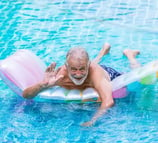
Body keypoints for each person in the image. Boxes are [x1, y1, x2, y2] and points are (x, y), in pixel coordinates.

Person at [23, 43, 140, 126]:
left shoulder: (95, 73)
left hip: (106, 72)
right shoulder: (60, 75)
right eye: (73, 69)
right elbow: (26, 95)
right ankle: (103, 52)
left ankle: (130, 55)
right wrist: (43, 84)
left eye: (82, 69)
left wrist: (93, 120)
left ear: (88, 66)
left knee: (135, 74)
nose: (78, 74)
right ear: (67, 66)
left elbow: (108, 101)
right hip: (89, 67)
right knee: (84, 68)